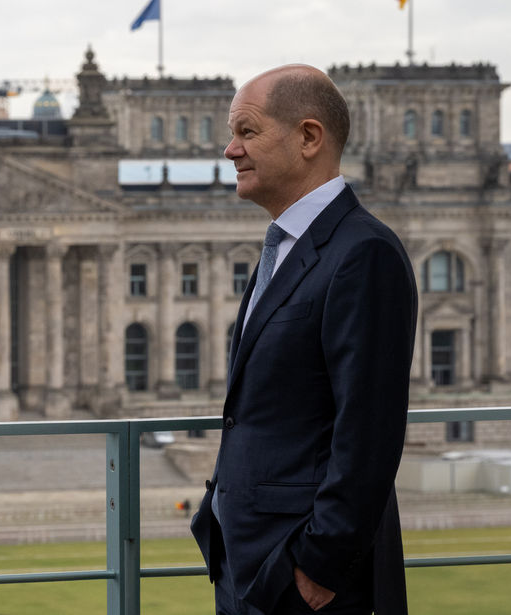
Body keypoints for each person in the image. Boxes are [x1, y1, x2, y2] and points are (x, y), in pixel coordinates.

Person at [190, 65, 416, 615]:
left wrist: (319, 566)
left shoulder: (363, 252)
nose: (230, 150)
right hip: (246, 563)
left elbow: (369, 429)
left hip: (304, 578)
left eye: (246, 132)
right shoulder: (286, 246)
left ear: (309, 137)